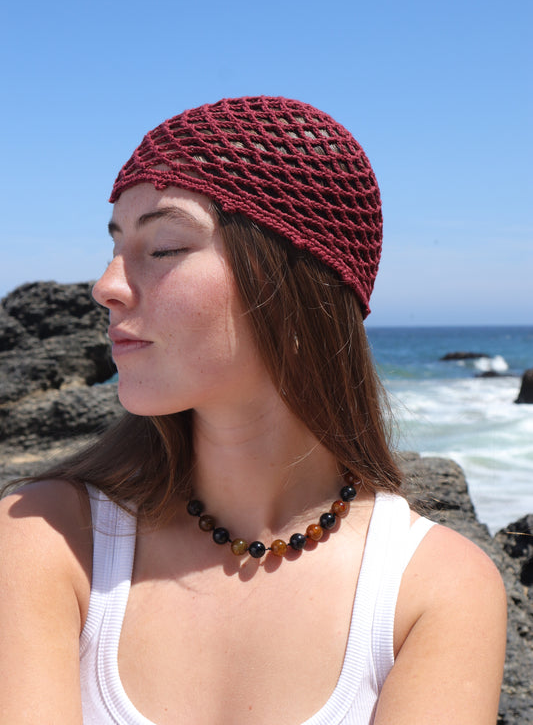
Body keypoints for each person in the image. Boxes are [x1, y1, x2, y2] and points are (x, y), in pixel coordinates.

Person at [0, 96, 506, 724]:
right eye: (115, 245)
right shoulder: (46, 539)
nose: (106, 286)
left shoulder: (433, 588)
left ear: (293, 282)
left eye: (164, 247)